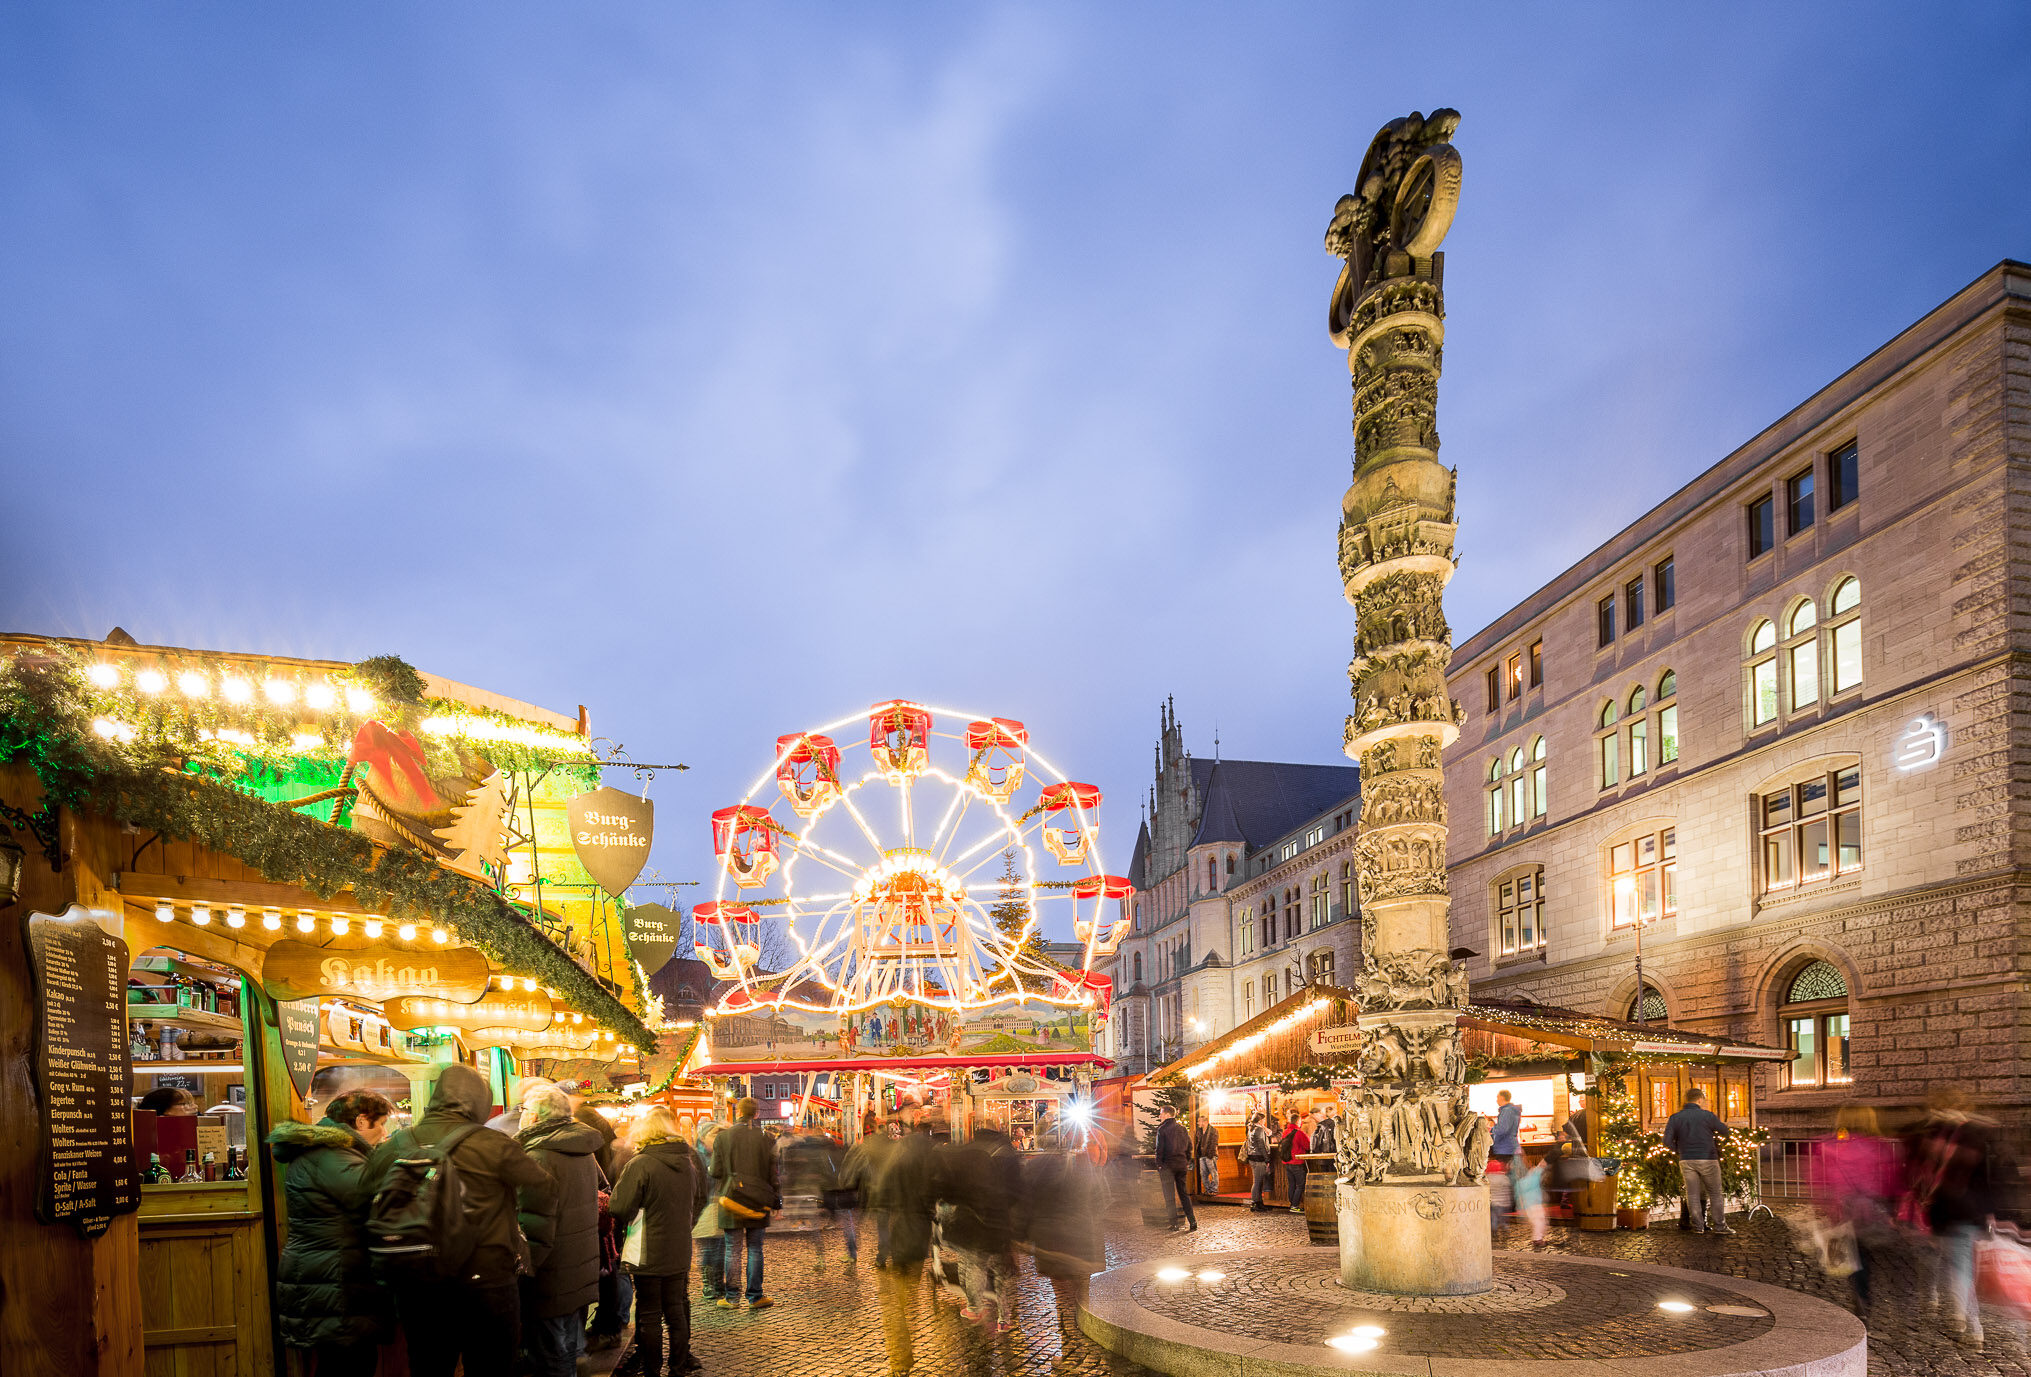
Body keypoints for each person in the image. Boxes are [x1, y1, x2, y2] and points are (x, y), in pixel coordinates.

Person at [363, 1064, 558, 1377]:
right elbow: (545, 1187)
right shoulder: (495, 1144)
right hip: (488, 1282)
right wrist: (528, 1247)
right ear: (479, 1102)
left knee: (428, 1366)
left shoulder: (395, 1146)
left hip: (417, 1285)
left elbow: (365, 1200)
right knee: (491, 1367)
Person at [269, 1090, 395, 1377]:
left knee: (349, 1361)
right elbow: (372, 1200)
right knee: (347, 1364)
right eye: (382, 1123)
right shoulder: (332, 1155)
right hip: (333, 1278)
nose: (384, 1132)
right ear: (362, 1121)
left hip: (330, 1274)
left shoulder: (334, 1152)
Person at [609, 1106, 708, 1377]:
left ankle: (652, 1370)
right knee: (676, 1309)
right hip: (679, 1248)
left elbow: (618, 1207)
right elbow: (699, 1198)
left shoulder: (640, 1163)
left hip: (647, 1248)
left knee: (650, 1313)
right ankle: (677, 1367)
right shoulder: (687, 1163)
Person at [516, 1086, 606, 1377]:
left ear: (533, 1117)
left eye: (523, 1110)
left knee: (552, 1357)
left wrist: (526, 1270)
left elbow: (533, 1222)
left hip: (551, 1272)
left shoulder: (539, 1156)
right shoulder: (582, 1150)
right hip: (578, 1265)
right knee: (567, 1347)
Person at [1909, 1085, 2005, 1346]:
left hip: (1943, 1212)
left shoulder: (1930, 1136)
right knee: (1959, 1265)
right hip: (1967, 1213)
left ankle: (1967, 1321)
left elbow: (1919, 1176)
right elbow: (1986, 1178)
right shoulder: (1973, 1134)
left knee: (1952, 1265)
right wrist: (1989, 1213)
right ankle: (1967, 1322)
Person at [932, 1119, 1022, 1330]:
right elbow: (1017, 1190)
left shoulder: (967, 1150)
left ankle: (974, 1308)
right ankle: (1004, 1319)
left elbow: (949, 1187)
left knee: (972, 1263)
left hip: (970, 1219)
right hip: (1000, 1218)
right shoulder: (1006, 1151)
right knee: (1001, 1270)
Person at [870, 1106, 937, 1374]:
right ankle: (903, 1351)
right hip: (920, 1229)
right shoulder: (930, 1155)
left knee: (898, 1298)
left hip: (900, 1228)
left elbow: (882, 1191)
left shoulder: (896, 1155)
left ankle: (900, 1357)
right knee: (909, 1291)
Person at [1817, 1103, 1899, 1313]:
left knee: (1854, 1254)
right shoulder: (1876, 1147)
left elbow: (1820, 1178)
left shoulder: (1829, 1146)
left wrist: (1824, 1204)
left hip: (1843, 1208)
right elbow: (1890, 1178)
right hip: (1870, 1208)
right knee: (1869, 1251)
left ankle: (1861, 1294)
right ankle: (1869, 1294)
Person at [1025, 1132, 1108, 1341]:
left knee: (1062, 1295)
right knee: (1082, 1294)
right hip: (1084, 1241)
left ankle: (1070, 1341)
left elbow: (1027, 1204)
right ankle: (1081, 1337)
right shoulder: (1086, 1166)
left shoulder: (1037, 1167)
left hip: (1053, 1244)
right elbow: (1102, 1198)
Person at [710, 1096, 779, 1310]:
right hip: (759, 1199)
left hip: (732, 1199)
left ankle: (731, 1298)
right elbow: (774, 1173)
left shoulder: (723, 1138)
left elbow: (716, 1171)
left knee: (733, 1249)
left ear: (736, 1111)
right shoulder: (766, 1138)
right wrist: (777, 1202)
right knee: (755, 1248)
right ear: (757, 1114)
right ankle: (755, 1296)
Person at [1662, 1087, 1732, 1235]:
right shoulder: (1707, 1116)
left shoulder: (1675, 1117)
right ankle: (1720, 1226)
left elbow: (1666, 1141)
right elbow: (1725, 1131)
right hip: (1708, 1158)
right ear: (1700, 1100)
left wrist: (1679, 1150)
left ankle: (1698, 1227)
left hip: (1686, 1159)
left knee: (1692, 1194)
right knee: (1715, 1193)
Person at [692, 1120, 727, 1302]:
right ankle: (708, 1284)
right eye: (714, 1134)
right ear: (703, 1137)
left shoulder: (723, 1154)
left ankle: (719, 1282)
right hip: (703, 1207)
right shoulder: (696, 1156)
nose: (717, 1138)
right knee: (707, 1248)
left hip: (721, 1204)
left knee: (721, 1248)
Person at [1153, 1105, 1198, 1232]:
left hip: (1168, 1166)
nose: (1159, 1116)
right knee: (1184, 1194)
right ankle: (1192, 1221)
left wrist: (1159, 1165)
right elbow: (1189, 1146)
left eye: (1161, 1113)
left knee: (1169, 1196)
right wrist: (1186, 1160)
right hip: (1181, 1164)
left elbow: (1159, 1149)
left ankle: (1174, 1224)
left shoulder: (1162, 1129)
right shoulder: (1182, 1128)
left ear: (1167, 1114)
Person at [1279, 1113, 1311, 1213]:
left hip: (1287, 1162)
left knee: (1292, 1184)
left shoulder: (1285, 1132)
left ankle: (1292, 1204)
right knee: (1301, 1185)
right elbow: (1308, 1146)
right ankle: (1294, 1205)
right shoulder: (1299, 1133)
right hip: (1297, 1162)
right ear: (1298, 1121)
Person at [1515, 1157, 1550, 1249]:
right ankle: (1537, 1239)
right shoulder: (1534, 1176)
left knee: (1538, 1221)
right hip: (1535, 1203)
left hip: (1528, 1205)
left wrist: (1521, 1208)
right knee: (1540, 1221)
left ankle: (1537, 1238)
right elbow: (1541, 1167)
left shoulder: (1519, 1183)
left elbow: (1518, 1196)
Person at [1490, 1090, 1523, 1176]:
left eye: (1497, 1097)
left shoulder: (1507, 1111)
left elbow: (1502, 1129)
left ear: (1502, 1097)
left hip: (1505, 1148)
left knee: (1506, 1175)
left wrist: (1490, 1130)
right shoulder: (1512, 1110)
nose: (1496, 1100)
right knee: (1512, 1174)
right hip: (1510, 1147)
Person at [1245, 1112, 1273, 1211]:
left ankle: (1258, 1202)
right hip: (1259, 1158)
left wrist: (1263, 1126)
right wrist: (1267, 1158)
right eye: (1264, 1120)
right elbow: (1261, 1145)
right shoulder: (1259, 1130)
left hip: (1253, 1157)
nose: (1265, 1121)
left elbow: (1270, 1133)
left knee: (1257, 1181)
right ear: (1261, 1120)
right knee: (1258, 1182)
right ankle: (1255, 1203)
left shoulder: (1251, 1128)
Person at [1192, 1113, 1220, 1197]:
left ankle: (1214, 1190)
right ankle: (1208, 1190)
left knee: (1213, 1172)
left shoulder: (1213, 1130)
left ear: (1205, 1122)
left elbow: (1214, 1143)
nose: (1198, 1123)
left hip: (1210, 1155)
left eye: (1199, 1121)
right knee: (1203, 1173)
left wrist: (1210, 1155)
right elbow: (1198, 1143)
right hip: (1202, 1155)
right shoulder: (1199, 1131)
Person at [1309, 1107, 1338, 1172]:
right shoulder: (1335, 1124)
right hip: (1334, 1155)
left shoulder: (1321, 1125)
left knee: (1325, 1175)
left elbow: (1314, 1141)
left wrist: (1314, 1152)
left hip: (1322, 1156)